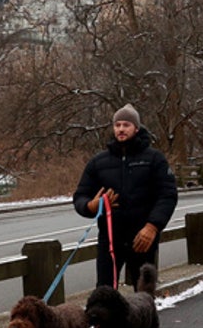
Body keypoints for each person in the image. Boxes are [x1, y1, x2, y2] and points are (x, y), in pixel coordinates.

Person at [73, 104, 178, 290]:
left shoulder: (154, 159)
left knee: (143, 295)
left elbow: (168, 195)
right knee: (105, 293)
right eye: (117, 125)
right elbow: (80, 196)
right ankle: (108, 321)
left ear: (136, 128)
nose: (121, 129)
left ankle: (146, 318)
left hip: (142, 237)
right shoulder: (98, 162)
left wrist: (152, 227)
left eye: (126, 125)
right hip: (111, 239)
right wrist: (91, 206)